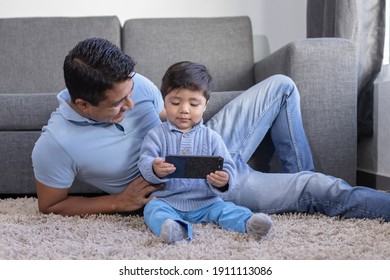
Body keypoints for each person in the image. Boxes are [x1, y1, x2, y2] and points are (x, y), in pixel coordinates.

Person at [32, 37, 390, 222]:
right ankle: (299, 190)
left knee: (280, 86)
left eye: (131, 95)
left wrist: (195, 126)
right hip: (187, 188)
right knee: (322, 189)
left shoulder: (131, 83)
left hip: (208, 144)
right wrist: (118, 202)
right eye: (117, 105)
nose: (131, 106)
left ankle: (292, 183)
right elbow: (51, 205)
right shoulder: (56, 145)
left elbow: (165, 120)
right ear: (82, 105)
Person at [138, 61, 273, 243]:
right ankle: (175, 229)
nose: (184, 110)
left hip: (207, 201)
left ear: (205, 105)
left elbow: (227, 167)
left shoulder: (212, 137)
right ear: (164, 101)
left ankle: (249, 222)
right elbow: (145, 161)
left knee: (227, 209)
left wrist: (224, 180)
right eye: (175, 102)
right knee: (152, 209)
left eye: (194, 104)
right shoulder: (155, 135)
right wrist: (154, 169)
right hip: (167, 200)